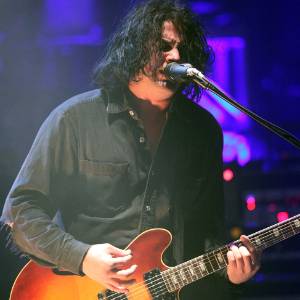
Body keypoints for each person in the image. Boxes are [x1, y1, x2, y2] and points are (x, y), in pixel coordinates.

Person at [1, 0, 260, 299]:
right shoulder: (74, 120)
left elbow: (207, 234)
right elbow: (20, 213)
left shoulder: (202, 131)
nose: (176, 56)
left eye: (184, 50)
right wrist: (82, 257)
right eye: (164, 46)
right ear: (135, 48)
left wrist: (230, 273)